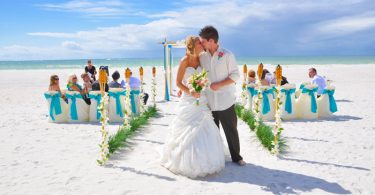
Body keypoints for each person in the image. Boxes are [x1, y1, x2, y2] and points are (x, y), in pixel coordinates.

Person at [161, 35, 225, 178]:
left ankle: (208, 157)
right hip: (189, 100)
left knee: (205, 125)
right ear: (193, 45)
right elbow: (178, 82)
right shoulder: (184, 61)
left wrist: (202, 85)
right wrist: (189, 90)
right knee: (187, 130)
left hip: (201, 99)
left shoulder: (202, 58)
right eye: (199, 43)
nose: (202, 44)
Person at [199, 26, 245, 166]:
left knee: (231, 130)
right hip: (209, 101)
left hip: (226, 101)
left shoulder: (227, 55)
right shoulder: (202, 57)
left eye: (203, 41)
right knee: (213, 132)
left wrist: (219, 84)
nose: (201, 44)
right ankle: (216, 157)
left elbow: (236, 75)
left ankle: (237, 157)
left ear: (211, 40)